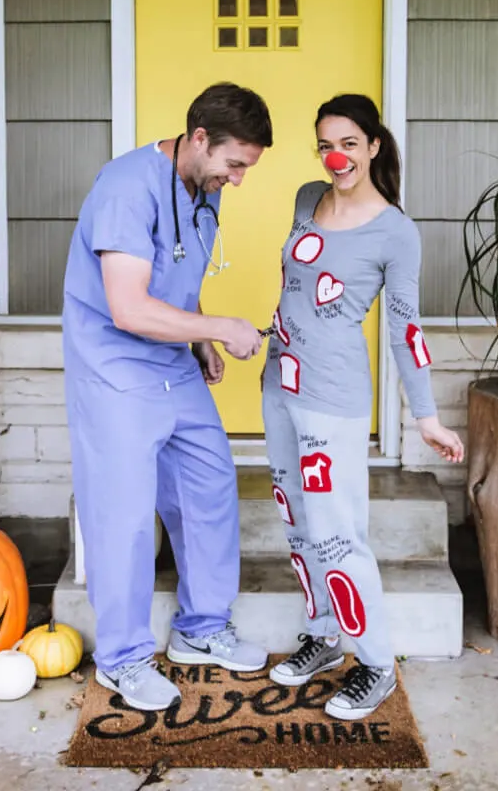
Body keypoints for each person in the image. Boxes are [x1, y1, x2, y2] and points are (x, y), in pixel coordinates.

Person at [62, 82, 273, 712]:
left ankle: (201, 629)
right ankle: (123, 659)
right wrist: (220, 329)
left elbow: (173, 272)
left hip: (172, 362)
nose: (238, 179)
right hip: (116, 365)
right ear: (199, 139)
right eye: (235, 164)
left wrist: (200, 335)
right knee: (124, 514)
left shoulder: (203, 190)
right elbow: (127, 307)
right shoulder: (127, 187)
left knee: (208, 483)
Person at [261, 94, 464, 721]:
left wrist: (424, 415)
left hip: (333, 399)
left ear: (374, 145)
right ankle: (323, 637)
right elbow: (293, 288)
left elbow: (406, 328)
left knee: (337, 536)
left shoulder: (395, 232)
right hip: (278, 383)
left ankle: (375, 664)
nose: (336, 155)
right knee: (297, 524)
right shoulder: (305, 198)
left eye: (349, 143)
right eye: (326, 143)